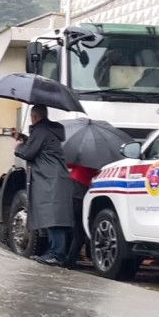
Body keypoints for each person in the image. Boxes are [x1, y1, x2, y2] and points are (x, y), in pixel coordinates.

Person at [12, 105, 73, 266]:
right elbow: (39, 145)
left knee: (53, 219)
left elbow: (28, 153)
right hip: (54, 178)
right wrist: (24, 138)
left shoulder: (41, 131)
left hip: (49, 179)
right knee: (52, 217)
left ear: (35, 117)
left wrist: (18, 147)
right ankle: (53, 252)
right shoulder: (47, 130)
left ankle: (57, 254)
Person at [63, 163, 99, 267]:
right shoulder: (100, 161)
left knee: (76, 228)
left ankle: (69, 258)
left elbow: (69, 164)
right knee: (80, 230)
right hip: (84, 191)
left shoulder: (82, 155)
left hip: (74, 187)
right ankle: (71, 260)